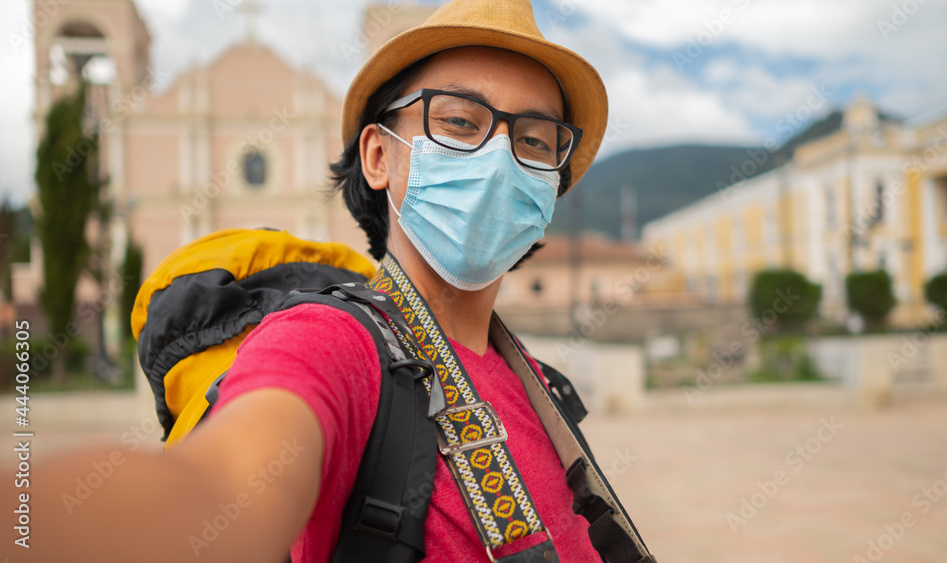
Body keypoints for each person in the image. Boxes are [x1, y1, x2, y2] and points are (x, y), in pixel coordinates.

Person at [18, 0, 634, 561]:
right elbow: (215, 491)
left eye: (532, 140)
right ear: (377, 156)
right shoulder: (330, 343)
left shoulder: (534, 379)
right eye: (459, 123)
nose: (499, 157)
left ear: (551, 183)